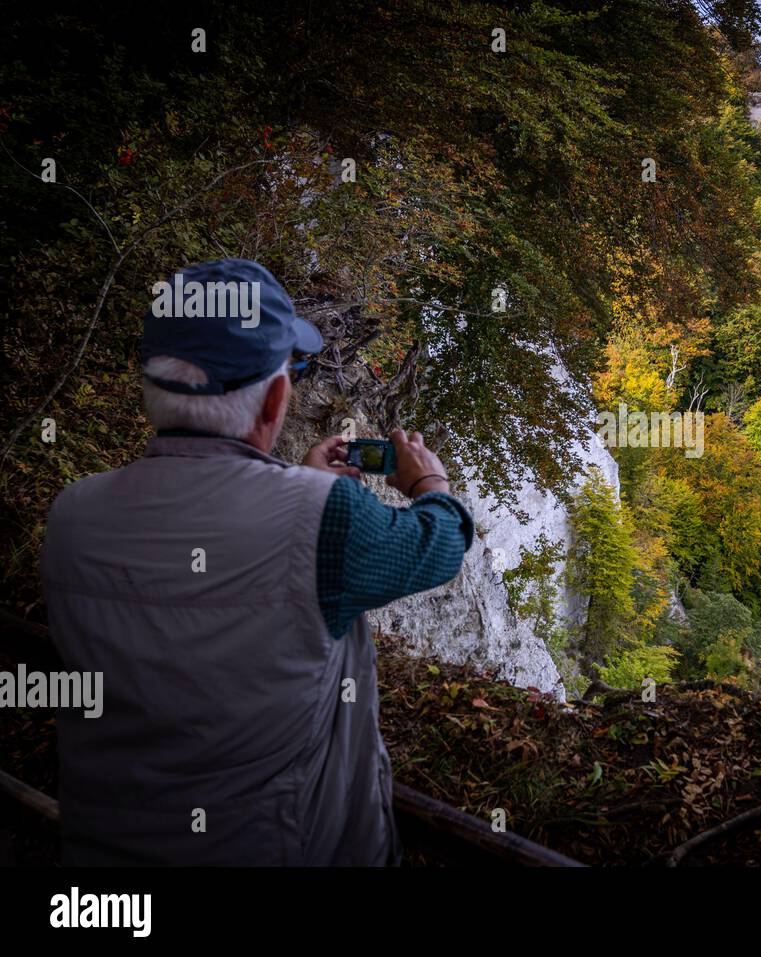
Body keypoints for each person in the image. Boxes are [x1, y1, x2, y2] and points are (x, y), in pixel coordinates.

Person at [39, 258, 473, 865]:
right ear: (275, 400)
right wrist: (429, 479)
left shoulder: (72, 515)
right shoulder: (324, 517)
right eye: (291, 369)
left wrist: (296, 486)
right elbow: (442, 542)